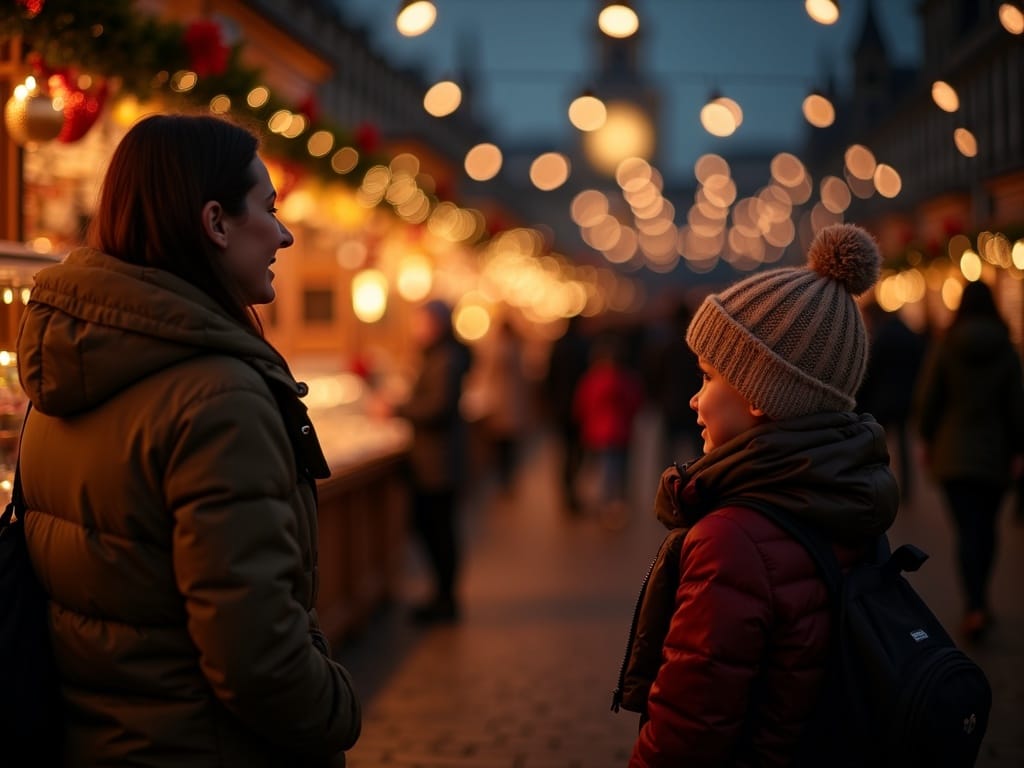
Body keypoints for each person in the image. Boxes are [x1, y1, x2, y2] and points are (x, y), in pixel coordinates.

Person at [16, 114, 361, 766]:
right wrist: (340, 710)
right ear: (216, 223)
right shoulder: (220, 399)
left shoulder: (61, 372)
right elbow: (256, 655)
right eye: (269, 209)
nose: (285, 235)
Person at [622, 224, 899, 767]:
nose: (695, 400)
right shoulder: (846, 496)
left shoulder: (730, 540)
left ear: (758, 393)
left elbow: (688, 730)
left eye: (707, 378)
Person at [913, 279, 1024, 643]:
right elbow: (1017, 405)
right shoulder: (1006, 348)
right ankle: (982, 601)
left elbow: (929, 398)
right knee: (987, 530)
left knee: (966, 531)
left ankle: (973, 605)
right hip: (995, 453)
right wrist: (1018, 449)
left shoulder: (946, 345)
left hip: (954, 454)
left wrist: (927, 439)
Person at [375, 299, 470, 624]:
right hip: (434, 459)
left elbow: (438, 407)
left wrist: (398, 409)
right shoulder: (439, 356)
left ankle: (445, 599)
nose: (417, 328)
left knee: (438, 530)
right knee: (435, 528)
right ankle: (442, 595)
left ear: (438, 324)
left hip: (437, 461)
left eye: (422, 322)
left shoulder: (445, 358)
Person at [857, 300, 926, 502]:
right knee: (904, 446)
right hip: (905, 398)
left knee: (877, 444)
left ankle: (878, 485)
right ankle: (906, 489)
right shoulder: (909, 335)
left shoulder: (882, 336)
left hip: (884, 398)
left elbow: (872, 369)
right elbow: (920, 365)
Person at [572, 331, 643, 522]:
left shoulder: (592, 379)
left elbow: (581, 405)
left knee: (604, 469)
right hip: (622, 431)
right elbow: (636, 403)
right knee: (619, 469)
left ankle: (606, 504)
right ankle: (617, 503)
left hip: (597, 433)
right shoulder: (626, 379)